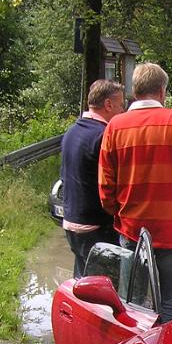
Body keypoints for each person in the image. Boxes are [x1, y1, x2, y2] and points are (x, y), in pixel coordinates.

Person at [98, 63, 172, 322]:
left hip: (131, 228)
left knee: (131, 302)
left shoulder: (115, 127)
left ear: (135, 91)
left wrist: (120, 210)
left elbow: (105, 186)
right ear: (162, 91)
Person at [60, 79, 125, 277]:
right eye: (121, 105)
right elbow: (114, 183)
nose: (123, 111)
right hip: (97, 227)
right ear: (108, 104)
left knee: (82, 284)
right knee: (104, 292)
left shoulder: (72, 132)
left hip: (72, 223)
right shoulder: (104, 135)